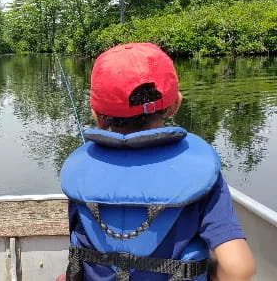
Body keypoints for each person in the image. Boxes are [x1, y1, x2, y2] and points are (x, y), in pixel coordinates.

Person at [60, 43, 255, 281]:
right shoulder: (199, 170)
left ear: (97, 116)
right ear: (175, 104)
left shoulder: (81, 169)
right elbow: (239, 269)